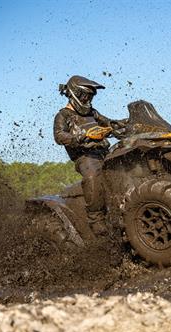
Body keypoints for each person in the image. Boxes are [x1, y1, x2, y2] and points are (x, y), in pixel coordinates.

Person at [53, 75, 126, 236]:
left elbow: (108, 123)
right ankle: (96, 218)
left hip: (104, 152)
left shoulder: (92, 113)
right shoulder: (63, 115)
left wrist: (123, 124)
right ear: (75, 94)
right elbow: (59, 136)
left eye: (90, 96)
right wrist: (80, 137)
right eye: (85, 96)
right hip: (85, 157)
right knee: (93, 175)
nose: (87, 99)